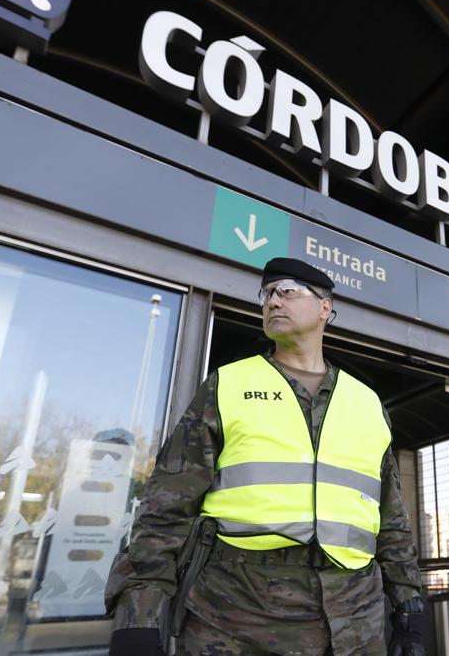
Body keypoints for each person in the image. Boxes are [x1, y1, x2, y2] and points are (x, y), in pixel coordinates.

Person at [105, 257, 425, 656]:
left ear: (325, 307)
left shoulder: (366, 402)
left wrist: (409, 607)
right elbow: (165, 508)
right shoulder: (228, 385)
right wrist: (138, 617)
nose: (273, 301)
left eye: (287, 291)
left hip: (356, 622)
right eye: (267, 294)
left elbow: (391, 520)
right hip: (237, 618)